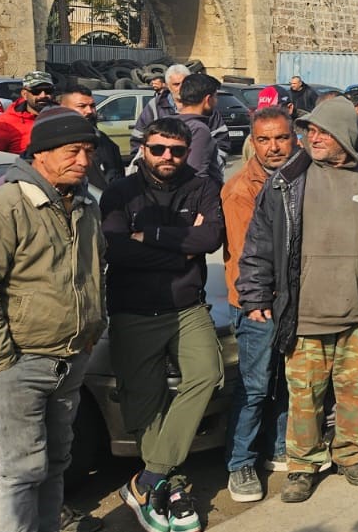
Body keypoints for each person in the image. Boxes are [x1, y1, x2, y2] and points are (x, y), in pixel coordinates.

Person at [237, 97, 358, 503]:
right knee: (304, 395)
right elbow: (259, 242)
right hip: (304, 315)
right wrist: (254, 292)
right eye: (310, 131)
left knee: (356, 391)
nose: (313, 138)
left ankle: (350, 455)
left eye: (323, 131)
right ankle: (303, 466)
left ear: (346, 135)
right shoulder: (286, 182)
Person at [0, 108, 106, 532]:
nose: (84, 160)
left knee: (55, 463)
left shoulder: (83, 204)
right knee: (21, 471)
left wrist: (92, 329)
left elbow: (93, 271)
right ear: (40, 153)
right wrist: (1, 360)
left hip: (69, 360)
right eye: (72, 151)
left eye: (88, 151)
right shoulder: (3, 207)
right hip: (18, 363)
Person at [101, 116, 225, 532]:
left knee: (207, 374)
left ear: (188, 152)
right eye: (158, 149)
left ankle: (147, 479)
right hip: (134, 310)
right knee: (146, 404)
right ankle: (170, 488)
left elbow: (209, 239)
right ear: (143, 149)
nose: (167, 156)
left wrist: (147, 235)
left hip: (186, 307)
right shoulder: (120, 192)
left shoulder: (202, 187)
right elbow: (116, 250)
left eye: (176, 150)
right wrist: (179, 251)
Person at [221, 107, 295, 503]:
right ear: (253, 142)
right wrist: (257, 300)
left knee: (283, 378)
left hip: (289, 298)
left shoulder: (299, 177)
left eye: (281, 138)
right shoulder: (241, 189)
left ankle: (278, 445)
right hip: (258, 301)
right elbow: (248, 254)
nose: (273, 147)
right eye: (264, 140)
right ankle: (240, 461)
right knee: (254, 385)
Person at [131, 65, 229, 158]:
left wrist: (213, 165)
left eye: (184, 83)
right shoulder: (155, 106)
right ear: (167, 86)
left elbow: (222, 141)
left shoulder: (204, 106)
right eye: (176, 84)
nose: (181, 88)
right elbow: (138, 138)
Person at [56, 84, 125, 187]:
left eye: (92, 106)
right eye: (82, 106)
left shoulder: (104, 141)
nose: (89, 111)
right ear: (64, 109)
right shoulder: (55, 144)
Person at [0, 71, 55, 153]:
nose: (43, 95)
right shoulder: (5, 124)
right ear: (24, 94)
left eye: (48, 90)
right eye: (36, 91)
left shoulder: (61, 116)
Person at [173, 73, 224, 183]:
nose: (216, 102)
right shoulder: (199, 130)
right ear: (208, 99)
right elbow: (197, 175)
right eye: (215, 97)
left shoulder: (165, 122)